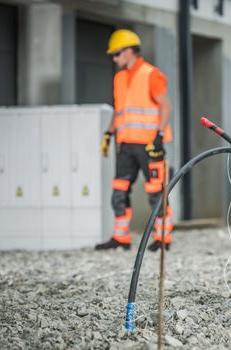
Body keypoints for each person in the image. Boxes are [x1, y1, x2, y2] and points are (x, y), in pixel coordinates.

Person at [95, 29, 173, 251]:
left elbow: (165, 107)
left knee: (156, 192)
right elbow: (120, 111)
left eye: (117, 54)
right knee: (119, 191)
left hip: (150, 146)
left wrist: (159, 134)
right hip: (126, 145)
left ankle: (163, 237)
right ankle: (121, 238)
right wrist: (109, 134)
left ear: (129, 51)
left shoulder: (151, 74)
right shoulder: (119, 78)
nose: (114, 58)